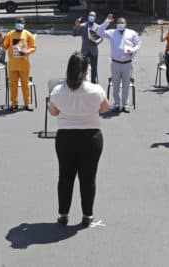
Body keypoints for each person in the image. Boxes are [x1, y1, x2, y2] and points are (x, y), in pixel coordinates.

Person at [48, 52, 109, 227]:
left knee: (65, 177)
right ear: (85, 71)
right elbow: (105, 108)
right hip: (91, 136)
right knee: (88, 178)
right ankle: (87, 215)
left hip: (66, 136)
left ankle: (63, 214)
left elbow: (53, 112)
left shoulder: (58, 90)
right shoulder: (96, 89)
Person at [97, 13, 141, 113]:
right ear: (116, 24)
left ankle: (125, 105)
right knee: (115, 85)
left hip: (127, 63)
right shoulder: (112, 32)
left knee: (126, 85)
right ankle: (117, 104)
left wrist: (133, 51)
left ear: (126, 24)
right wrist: (107, 21)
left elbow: (138, 44)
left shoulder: (132, 33)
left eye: (122, 23)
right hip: (115, 63)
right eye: (118, 23)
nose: (120, 24)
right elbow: (99, 32)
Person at [0, 17, 37, 111]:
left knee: (25, 84)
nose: (20, 24)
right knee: (13, 85)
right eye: (18, 22)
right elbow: (5, 47)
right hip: (12, 64)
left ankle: (27, 104)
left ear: (24, 24)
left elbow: (34, 47)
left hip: (24, 64)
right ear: (15, 23)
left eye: (21, 23)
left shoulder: (28, 34)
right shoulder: (10, 34)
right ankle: (14, 104)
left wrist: (27, 51)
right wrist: (1, 40)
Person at [73, 11, 103, 84]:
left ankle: (93, 82)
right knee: (83, 67)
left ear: (95, 18)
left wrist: (97, 42)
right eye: (90, 15)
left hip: (93, 50)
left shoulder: (98, 27)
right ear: (88, 16)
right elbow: (75, 33)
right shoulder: (83, 26)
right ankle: (83, 81)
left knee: (94, 68)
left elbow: (101, 38)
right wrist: (77, 25)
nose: (91, 17)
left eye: (93, 16)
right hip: (85, 50)